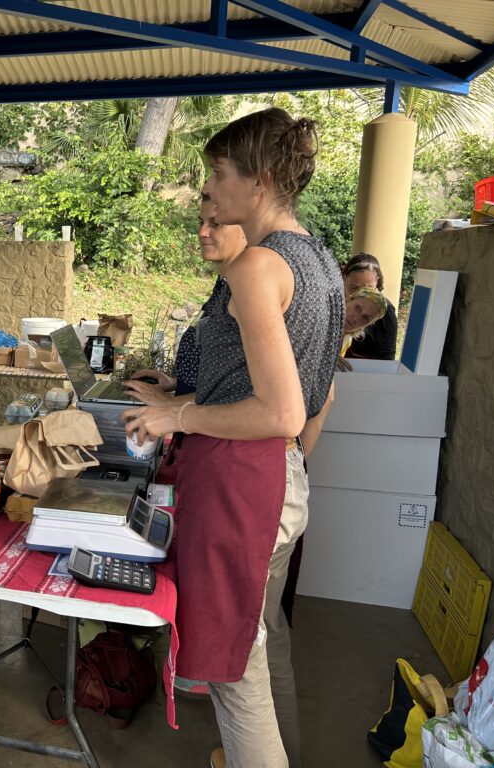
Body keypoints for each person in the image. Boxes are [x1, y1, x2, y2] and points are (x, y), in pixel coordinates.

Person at [123, 108, 344, 768]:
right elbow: (311, 397)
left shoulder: (256, 266)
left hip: (245, 481)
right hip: (277, 478)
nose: (209, 190)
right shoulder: (320, 262)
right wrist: (288, 461)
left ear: (260, 181)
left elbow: (279, 410)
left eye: (218, 174)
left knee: (234, 670)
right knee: (262, 642)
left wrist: (177, 418)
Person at [129, 192, 246, 399]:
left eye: (216, 224)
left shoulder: (246, 288)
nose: (202, 232)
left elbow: (240, 393)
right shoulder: (224, 283)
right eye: (201, 222)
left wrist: (166, 405)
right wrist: (177, 383)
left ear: (246, 229)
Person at [342, 252, 397, 360]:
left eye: (368, 289)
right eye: (354, 288)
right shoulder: (327, 303)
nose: (361, 294)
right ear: (344, 279)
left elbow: (385, 361)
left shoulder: (385, 313)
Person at [341, 285, 388, 358]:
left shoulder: (347, 339)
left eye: (365, 318)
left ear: (367, 325)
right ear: (348, 299)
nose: (355, 319)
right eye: (357, 308)